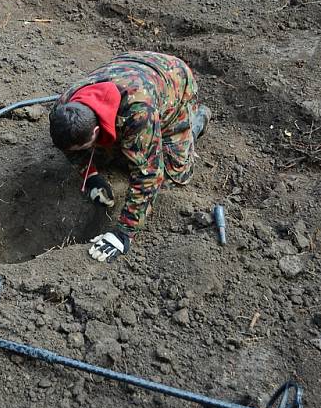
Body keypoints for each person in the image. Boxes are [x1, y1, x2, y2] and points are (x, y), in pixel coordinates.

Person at [49, 51, 211, 264]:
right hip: (129, 68)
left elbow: (149, 176)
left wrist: (123, 233)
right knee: (111, 155)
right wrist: (92, 177)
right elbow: (69, 149)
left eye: (84, 145)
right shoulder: (62, 107)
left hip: (173, 79)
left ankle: (196, 121)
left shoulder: (137, 113)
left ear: (96, 131)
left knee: (174, 174)